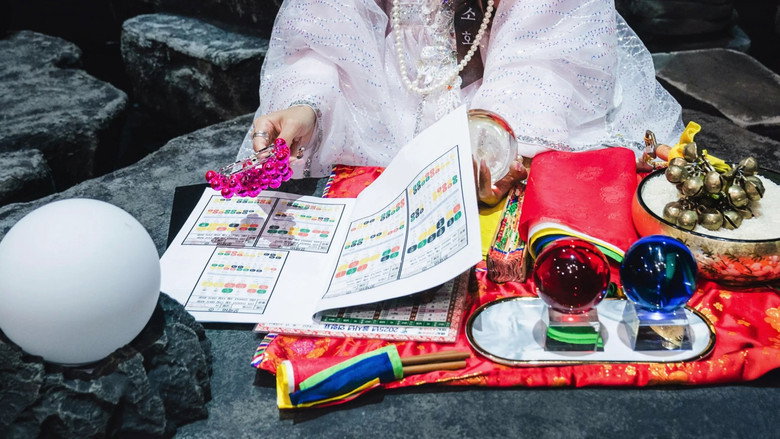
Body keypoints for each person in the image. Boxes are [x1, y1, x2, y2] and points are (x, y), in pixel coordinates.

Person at [239, 0, 682, 204]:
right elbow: (329, 28)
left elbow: (546, 54)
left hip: (514, 94)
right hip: (383, 99)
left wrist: (492, 143)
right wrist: (309, 103)